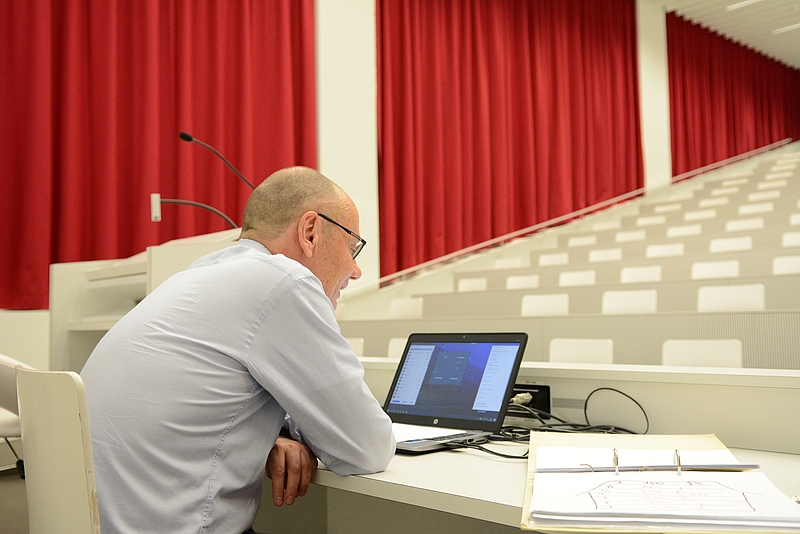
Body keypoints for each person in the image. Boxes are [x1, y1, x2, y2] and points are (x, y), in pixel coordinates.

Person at [81, 166, 396, 534]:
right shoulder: (284, 282)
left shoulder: (198, 273)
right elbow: (367, 449)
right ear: (310, 231)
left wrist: (275, 434)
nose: (356, 270)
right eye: (352, 247)